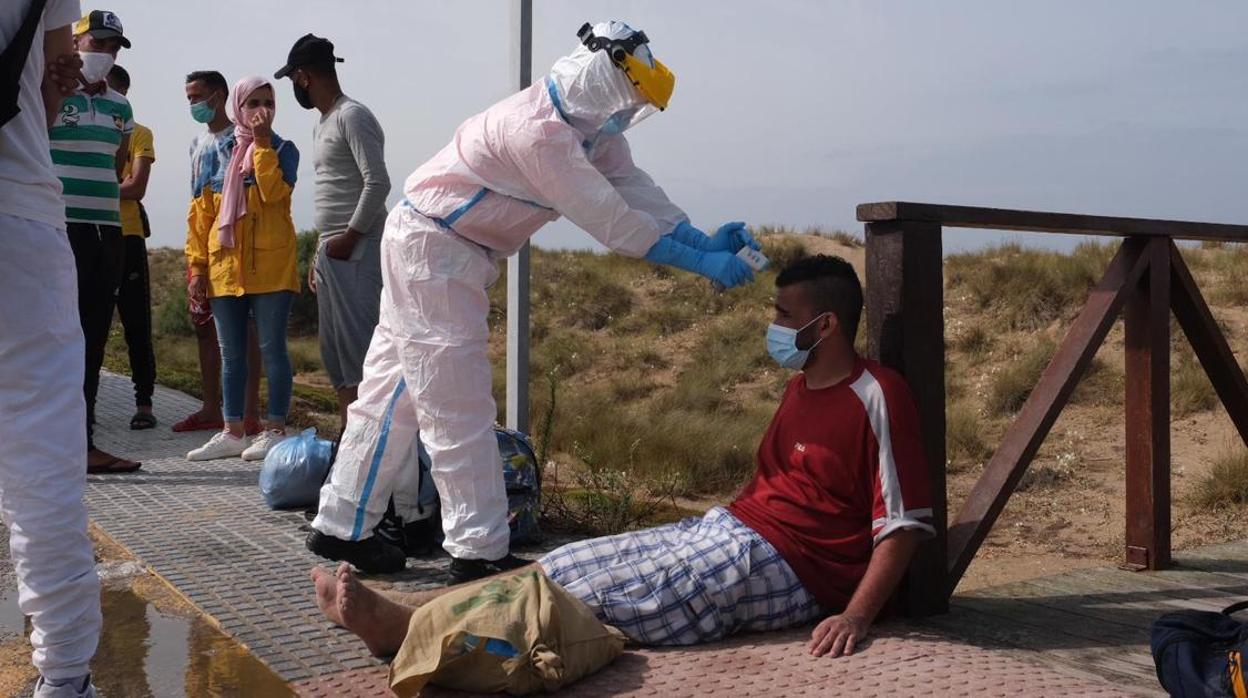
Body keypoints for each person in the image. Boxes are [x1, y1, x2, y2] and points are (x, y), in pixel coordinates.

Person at [306, 20, 761, 581]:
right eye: (632, 94)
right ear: (604, 76)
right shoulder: (538, 134)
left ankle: (339, 527)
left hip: (437, 247)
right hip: (436, 251)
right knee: (457, 404)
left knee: (391, 393)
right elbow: (615, 223)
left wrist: (700, 238)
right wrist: (699, 262)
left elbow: (637, 193)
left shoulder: (591, 131)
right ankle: (478, 551)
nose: (631, 110)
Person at [310, 255, 935, 660]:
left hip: (798, 566)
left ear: (824, 327)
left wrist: (856, 615)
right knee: (569, 560)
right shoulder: (800, 387)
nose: (771, 326)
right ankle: (416, 615)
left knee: (619, 595)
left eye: (782, 315)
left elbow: (903, 525)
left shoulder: (878, 396)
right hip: (735, 528)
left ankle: (419, 639)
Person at [1, 0, 103, 694]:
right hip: (19, 217)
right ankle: (64, 679)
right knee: (42, 473)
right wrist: (57, 83)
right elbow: (48, 87)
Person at [275, 34, 389, 436]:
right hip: (333, 251)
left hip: (356, 250)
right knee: (337, 357)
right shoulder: (323, 122)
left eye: (293, 78)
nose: (294, 86)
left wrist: (350, 237)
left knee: (361, 355)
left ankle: (370, 447)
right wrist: (320, 251)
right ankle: (349, 444)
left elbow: (378, 183)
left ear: (303, 77)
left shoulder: (351, 116)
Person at [185, 76, 300, 463]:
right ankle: (232, 431)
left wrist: (264, 144)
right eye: (252, 103)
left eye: (268, 102)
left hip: (270, 267)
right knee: (231, 354)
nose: (260, 110)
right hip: (224, 269)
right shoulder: (217, 152)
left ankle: (274, 429)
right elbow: (201, 216)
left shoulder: (284, 149)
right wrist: (197, 267)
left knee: (272, 350)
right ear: (237, 106)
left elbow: (273, 194)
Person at [50, 9, 138, 474]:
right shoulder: (48, 93)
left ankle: (82, 445)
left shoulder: (120, 107)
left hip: (107, 231)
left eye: (113, 47)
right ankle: (43, 445)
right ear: (74, 39)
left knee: (92, 340)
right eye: (98, 43)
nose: (106, 53)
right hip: (57, 228)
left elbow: (118, 163)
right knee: (50, 337)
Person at [173, 70, 263, 437]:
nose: (194, 104)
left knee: (244, 330)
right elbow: (197, 203)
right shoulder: (197, 144)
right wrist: (196, 261)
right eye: (189, 98)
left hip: (236, 250)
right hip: (202, 246)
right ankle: (211, 407)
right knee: (204, 328)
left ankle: (249, 411)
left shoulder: (239, 141)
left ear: (220, 95)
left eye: (199, 96)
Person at [104, 64, 157, 430]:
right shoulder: (79, 130)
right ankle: (81, 407)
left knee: (136, 324)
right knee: (86, 324)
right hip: (89, 233)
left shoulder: (140, 134)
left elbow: (137, 187)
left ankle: (144, 403)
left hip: (129, 236)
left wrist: (93, 188)